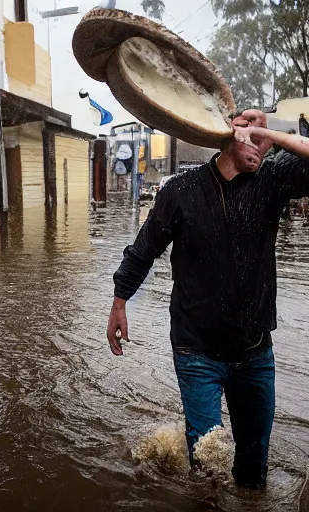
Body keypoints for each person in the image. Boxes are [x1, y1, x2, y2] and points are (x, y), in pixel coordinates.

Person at [106, 109, 309, 488]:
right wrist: (119, 303)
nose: (259, 146)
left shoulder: (271, 180)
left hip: (254, 353)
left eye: (263, 138)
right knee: (207, 466)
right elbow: (143, 250)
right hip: (196, 352)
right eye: (249, 135)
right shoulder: (181, 192)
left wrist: (273, 135)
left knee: (254, 466)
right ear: (225, 135)